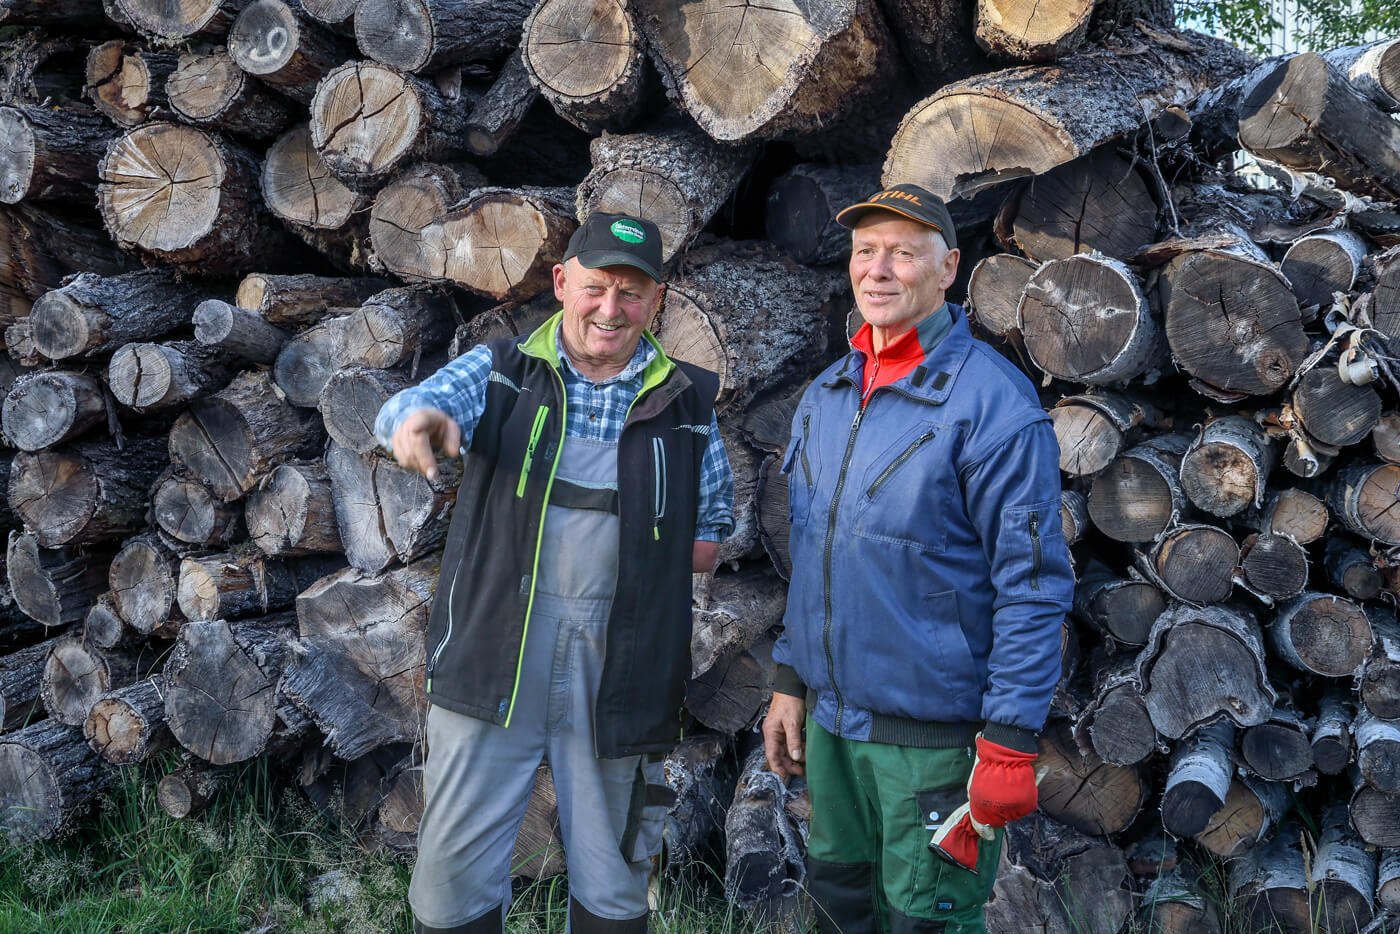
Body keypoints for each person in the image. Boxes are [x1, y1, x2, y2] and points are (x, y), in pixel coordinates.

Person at [376, 211, 734, 934]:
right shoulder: (505, 371)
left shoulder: (689, 402)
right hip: (493, 656)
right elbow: (412, 408)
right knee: (453, 875)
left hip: (624, 672)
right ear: (562, 282)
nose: (611, 309)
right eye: (596, 287)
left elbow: (710, 534)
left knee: (617, 880)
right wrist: (417, 427)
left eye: (632, 294)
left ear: (657, 300)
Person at [761, 184, 1073, 934]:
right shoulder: (830, 395)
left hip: (930, 749)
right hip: (832, 736)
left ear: (949, 268)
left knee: (924, 922)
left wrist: (1009, 740)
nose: (879, 269)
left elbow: (1032, 587)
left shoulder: (993, 406)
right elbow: (817, 554)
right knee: (839, 906)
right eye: (866, 251)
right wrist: (789, 676)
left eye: (904, 251)